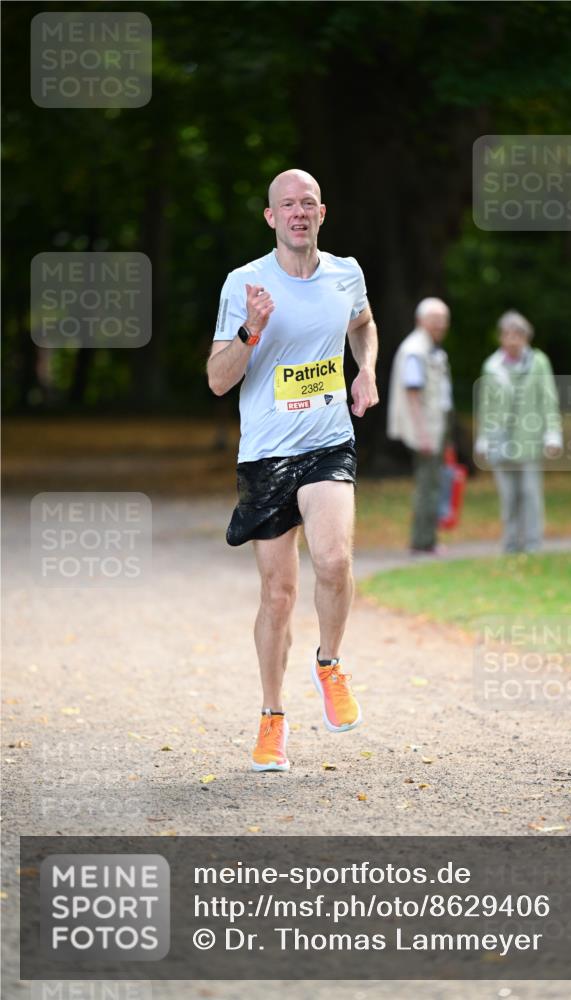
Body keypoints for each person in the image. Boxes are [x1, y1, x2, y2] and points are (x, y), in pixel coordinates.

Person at [207, 169, 379, 772]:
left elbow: (362, 324)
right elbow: (218, 379)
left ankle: (329, 664)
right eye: (288, 205)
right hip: (266, 454)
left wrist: (366, 370)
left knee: (333, 560)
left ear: (322, 214)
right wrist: (251, 328)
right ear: (271, 217)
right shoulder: (244, 283)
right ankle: (272, 718)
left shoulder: (346, 274)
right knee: (278, 595)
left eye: (308, 203)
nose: (299, 212)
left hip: (329, 441)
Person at [474, 310, 562, 554]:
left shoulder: (539, 362)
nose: (512, 340)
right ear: (501, 337)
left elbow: (548, 399)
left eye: (517, 335)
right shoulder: (491, 366)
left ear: (526, 338)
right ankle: (511, 543)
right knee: (508, 496)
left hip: (529, 439)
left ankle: (533, 544)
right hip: (500, 440)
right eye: (507, 335)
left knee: (530, 493)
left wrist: (553, 433)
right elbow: (486, 405)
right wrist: (482, 438)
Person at [387, 297, 453, 553]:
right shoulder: (415, 350)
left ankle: (428, 540)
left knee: (433, 483)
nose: (440, 325)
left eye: (443, 320)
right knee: (428, 485)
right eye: (435, 319)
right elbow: (412, 394)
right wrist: (423, 433)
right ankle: (422, 543)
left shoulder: (430, 348)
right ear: (420, 320)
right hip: (426, 430)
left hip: (435, 426)